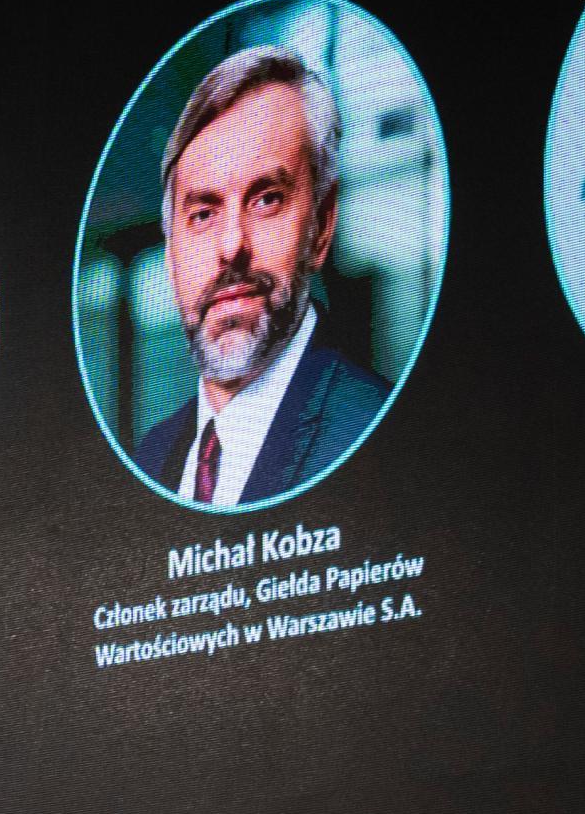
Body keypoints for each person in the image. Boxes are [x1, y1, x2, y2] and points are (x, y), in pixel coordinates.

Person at [131, 47, 392, 508]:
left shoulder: (384, 436)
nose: (232, 245)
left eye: (266, 199)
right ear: (171, 254)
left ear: (321, 227)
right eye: (204, 212)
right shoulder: (148, 459)